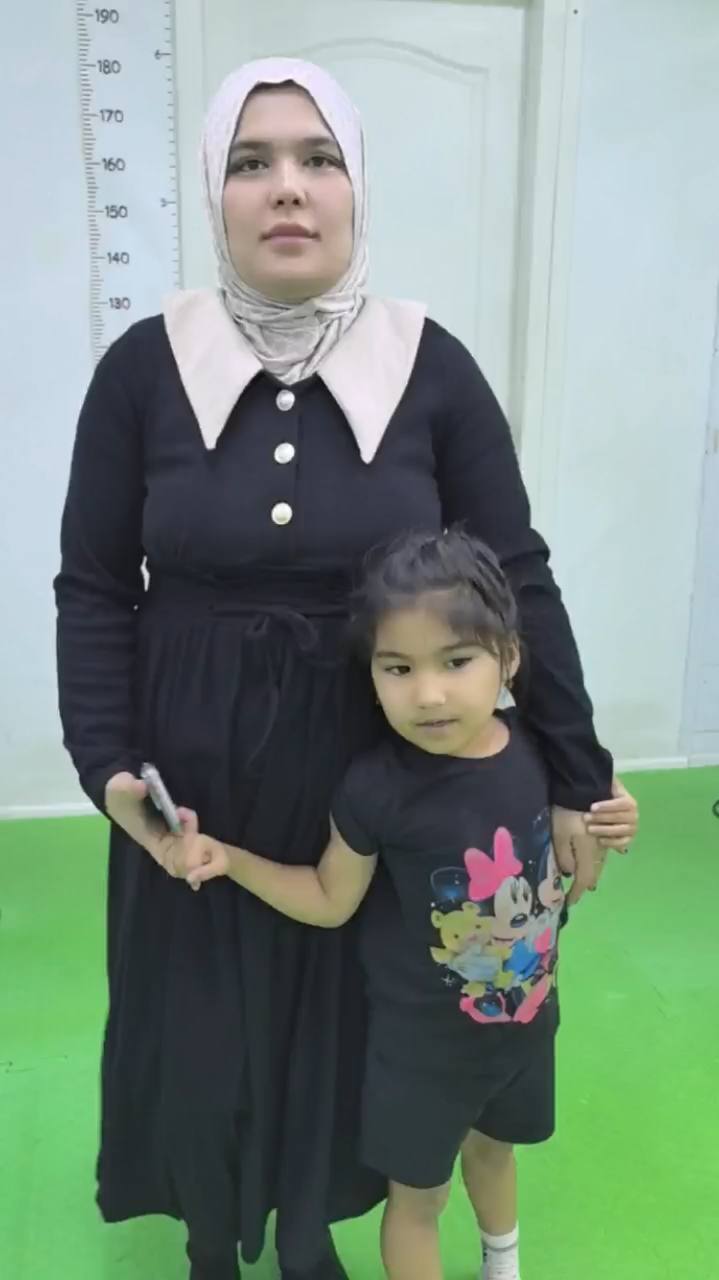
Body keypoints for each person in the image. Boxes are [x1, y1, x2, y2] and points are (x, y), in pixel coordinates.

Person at [54, 57, 638, 1280]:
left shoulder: (432, 366)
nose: (287, 187)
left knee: (350, 1004)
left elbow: (513, 573)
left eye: (317, 158)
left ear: (356, 186)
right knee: (201, 1009)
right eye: (250, 161)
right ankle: (211, 1231)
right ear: (213, 194)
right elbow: (96, 587)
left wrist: (573, 775)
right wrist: (110, 770)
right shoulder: (142, 369)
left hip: (369, 758)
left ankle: (317, 1226)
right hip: (190, 760)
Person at [171, 527, 607, 1280]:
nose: (427, 694)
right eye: (398, 667)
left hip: (528, 1031)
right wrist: (231, 860)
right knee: (419, 1200)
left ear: (508, 659)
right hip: (421, 1060)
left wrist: (613, 811)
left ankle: (503, 1265)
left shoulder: (537, 752)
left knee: (495, 1153)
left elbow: (591, 819)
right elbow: (328, 898)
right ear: (370, 674)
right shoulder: (374, 788)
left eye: (456, 661)